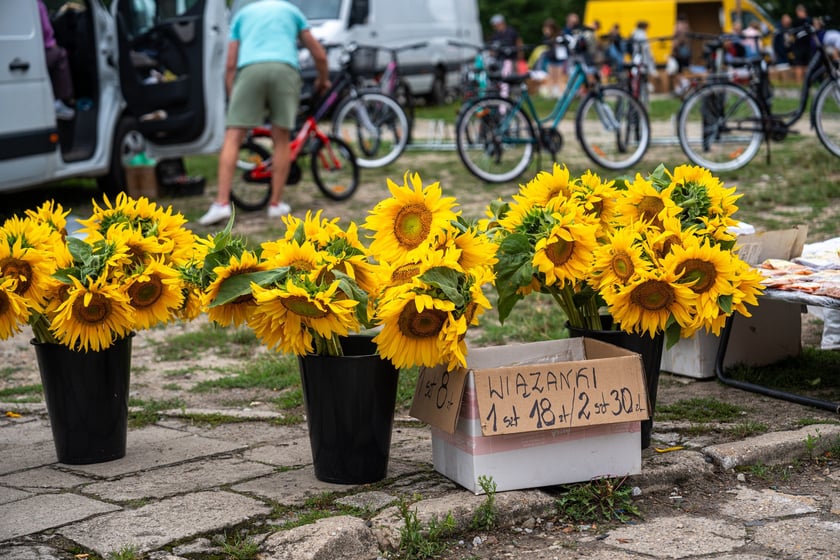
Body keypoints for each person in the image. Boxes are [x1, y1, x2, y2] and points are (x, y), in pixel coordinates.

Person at [199, 0, 330, 226]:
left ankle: (221, 204)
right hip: (284, 69)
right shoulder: (292, 11)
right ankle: (275, 204)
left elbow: (230, 63)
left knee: (233, 137)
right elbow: (319, 55)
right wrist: (323, 79)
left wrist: (234, 95)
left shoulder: (242, 14)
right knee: (281, 139)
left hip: (250, 70)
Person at [38, 0, 75, 120]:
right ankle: (61, 100)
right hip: (40, 51)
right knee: (61, 54)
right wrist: (52, 44)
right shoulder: (37, 4)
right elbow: (46, 30)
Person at [488, 14, 524, 98]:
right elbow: (492, 48)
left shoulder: (511, 32)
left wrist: (520, 55)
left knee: (514, 79)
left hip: (512, 60)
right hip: (501, 61)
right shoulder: (496, 35)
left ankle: (517, 98)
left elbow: (519, 42)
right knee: (503, 81)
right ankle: (505, 98)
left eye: (496, 25)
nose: (495, 27)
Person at [791, 3, 811, 84]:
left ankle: (806, 81)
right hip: (798, 46)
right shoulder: (796, 21)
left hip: (807, 45)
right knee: (799, 64)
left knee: (807, 64)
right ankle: (799, 82)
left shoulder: (808, 20)